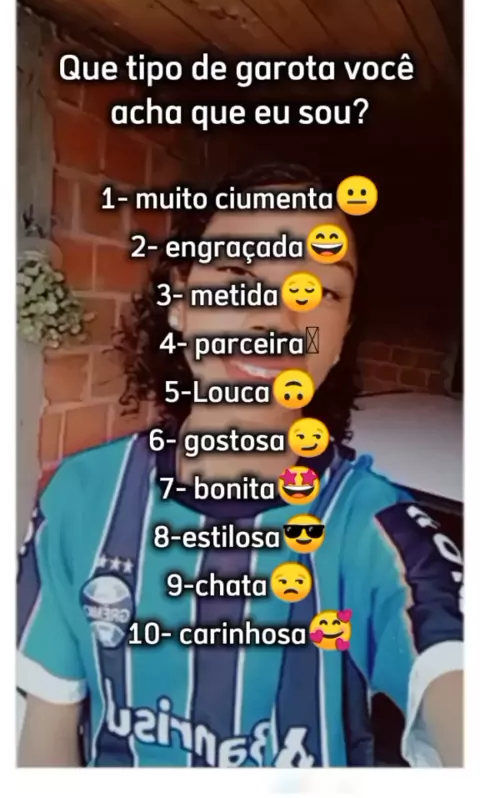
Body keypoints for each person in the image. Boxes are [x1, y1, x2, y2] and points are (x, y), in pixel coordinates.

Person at [17, 163, 463, 767]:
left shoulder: (375, 529)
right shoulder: (81, 496)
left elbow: (450, 659)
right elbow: (46, 736)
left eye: (322, 291)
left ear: (339, 336)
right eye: (238, 273)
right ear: (180, 302)